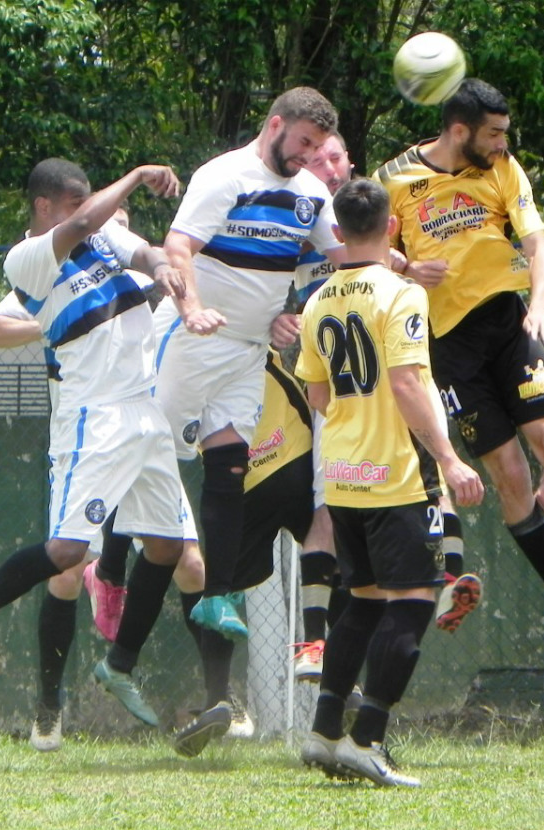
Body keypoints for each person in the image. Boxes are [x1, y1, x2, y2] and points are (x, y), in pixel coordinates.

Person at [0, 158, 192, 753]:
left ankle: (119, 666)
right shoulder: (28, 259)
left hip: (143, 409)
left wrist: (164, 268)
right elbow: (88, 222)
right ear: (47, 207)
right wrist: (137, 176)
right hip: (92, 418)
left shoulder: (99, 234)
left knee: (169, 545)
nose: (84, 215)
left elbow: (141, 250)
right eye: (73, 206)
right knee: (70, 551)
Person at [374, 78, 544, 648]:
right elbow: (362, 248)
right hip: (447, 348)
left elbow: (539, 246)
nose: (502, 143)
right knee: (510, 475)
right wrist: (405, 266)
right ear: (459, 130)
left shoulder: (503, 168)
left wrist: (539, 308)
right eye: (493, 133)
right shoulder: (393, 179)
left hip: (508, 327)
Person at [296, 178, 485, 787]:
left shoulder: (318, 299)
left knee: (364, 601)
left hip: (344, 474)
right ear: (393, 228)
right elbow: (407, 384)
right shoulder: (400, 293)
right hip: (398, 476)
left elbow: (317, 392)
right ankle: (368, 737)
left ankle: (325, 734)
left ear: (339, 233)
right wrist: (450, 459)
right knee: (413, 600)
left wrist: (355, 425)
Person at [155, 86, 344, 666]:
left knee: (228, 465)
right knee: (148, 447)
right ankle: (105, 567)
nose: (310, 157)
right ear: (275, 124)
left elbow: (344, 255)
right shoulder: (226, 175)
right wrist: (190, 309)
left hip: (246, 351)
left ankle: (216, 595)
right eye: (303, 143)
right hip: (192, 337)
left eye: (318, 147)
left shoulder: (311, 194)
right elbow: (178, 246)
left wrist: (405, 269)